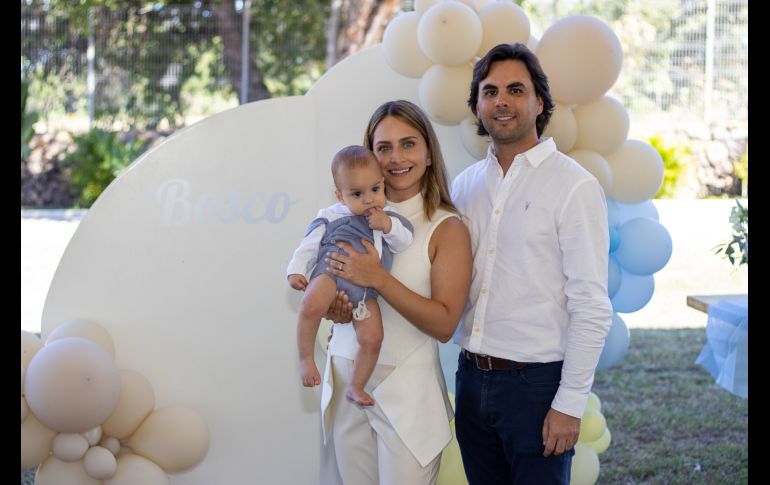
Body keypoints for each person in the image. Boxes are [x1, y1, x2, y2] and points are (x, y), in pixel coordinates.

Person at [450, 42, 613, 484]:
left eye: (515, 90)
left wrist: (569, 403)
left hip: (537, 389)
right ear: (477, 105)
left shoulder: (573, 186)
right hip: (470, 379)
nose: (501, 101)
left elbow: (591, 304)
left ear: (539, 102)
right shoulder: (463, 186)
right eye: (490, 91)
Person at [322, 100, 472, 484]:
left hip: (407, 394)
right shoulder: (344, 214)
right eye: (383, 147)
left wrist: (378, 278)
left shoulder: (446, 226)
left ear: (428, 153)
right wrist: (336, 307)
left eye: (408, 144)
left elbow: (444, 324)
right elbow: (333, 283)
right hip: (345, 374)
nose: (395, 158)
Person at [286, 145, 414, 406]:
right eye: (357, 193)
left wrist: (387, 226)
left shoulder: (389, 216)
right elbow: (309, 244)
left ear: (382, 184)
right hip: (330, 275)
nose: (369, 199)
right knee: (310, 303)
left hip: (366, 292)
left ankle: (357, 385)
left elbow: (404, 241)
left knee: (372, 337)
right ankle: (305, 359)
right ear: (340, 196)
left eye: (375, 190)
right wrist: (296, 270)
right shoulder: (330, 216)